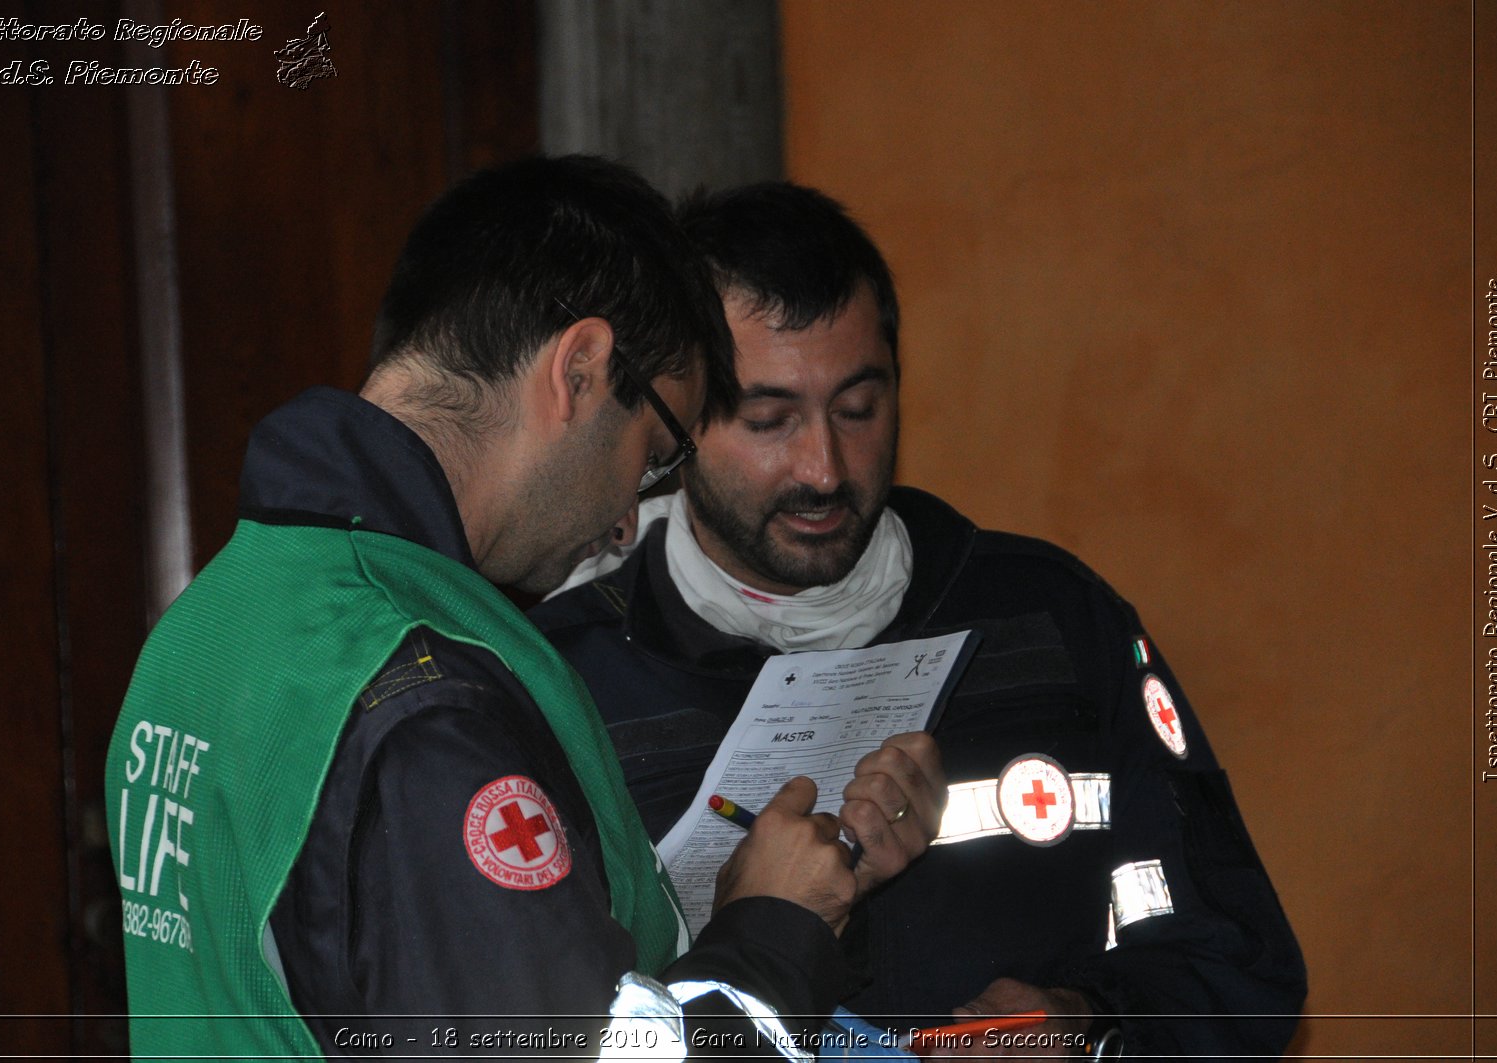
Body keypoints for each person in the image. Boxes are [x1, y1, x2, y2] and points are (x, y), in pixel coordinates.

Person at [104, 156, 945, 1061]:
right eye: (655, 453)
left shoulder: (215, 620)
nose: (630, 514)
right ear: (579, 370)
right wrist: (776, 931)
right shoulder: (423, 706)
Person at [533, 182, 1308, 1060]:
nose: (823, 468)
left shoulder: (1050, 622)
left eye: (859, 408)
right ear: (677, 422)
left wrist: (1087, 1022)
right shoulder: (571, 683)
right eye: (767, 418)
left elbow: (1239, 966)